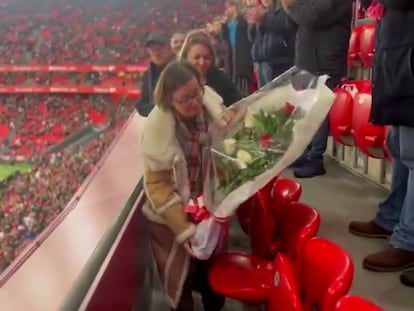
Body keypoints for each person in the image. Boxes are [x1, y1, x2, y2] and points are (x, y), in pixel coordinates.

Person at [140, 60, 231, 310]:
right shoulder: (158, 130)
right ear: (170, 101)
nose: (194, 102)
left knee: (212, 274)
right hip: (173, 219)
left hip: (209, 208)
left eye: (196, 94)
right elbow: (157, 186)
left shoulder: (211, 113)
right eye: (185, 99)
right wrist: (185, 229)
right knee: (181, 283)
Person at [348, 0, 414, 282]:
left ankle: (408, 240)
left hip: (407, 70)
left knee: (413, 157)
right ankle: (392, 218)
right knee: (400, 150)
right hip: (397, 70)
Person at [281, 0, 352, 178]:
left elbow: (311, 16)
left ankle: (315, 158)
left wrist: (290, 6)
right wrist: (291, 9)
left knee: (319, 109)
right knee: (305, 109)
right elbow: (292, 23)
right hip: (307, 58)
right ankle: (306, 151)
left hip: (325, 58)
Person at [179, 30, 243, 106]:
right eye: (197, 57)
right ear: (185, 58)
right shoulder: (176, 81)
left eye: (206, 58)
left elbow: (239, 104)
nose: (202, 63)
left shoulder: (221, 79)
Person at [246, 0, 296, 87]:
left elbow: (284, 24)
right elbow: (252, 38)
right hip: (261, 62)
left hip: (277, 63)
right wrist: (253, 25)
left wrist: (263, 17)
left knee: (276, 96)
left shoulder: (282, 7)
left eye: (252, 6)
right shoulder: (266, 9)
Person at [135, 33, 174, 117]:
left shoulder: (181, 68)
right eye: (152, 50)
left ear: (169, 48)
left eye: (160, 49)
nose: (156, 53)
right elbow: (141, 104)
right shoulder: (148, 74)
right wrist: (160, 109)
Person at [221, 0, 254, 95]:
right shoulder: (229, 20)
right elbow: (224, 37)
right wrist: (223, 24)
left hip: (242, 50)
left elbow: (248, 31)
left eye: (230, 6)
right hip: (232, 50)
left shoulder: (242, 18)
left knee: (242, 77)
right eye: (227, 7)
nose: (228, 9)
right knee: (233, 75)